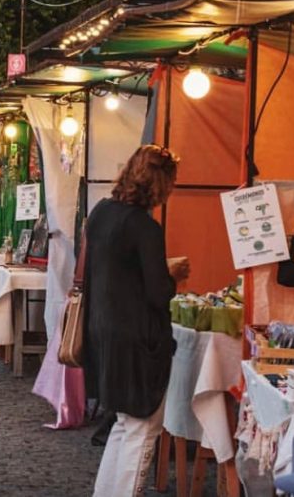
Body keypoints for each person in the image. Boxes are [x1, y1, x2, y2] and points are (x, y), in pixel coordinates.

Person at [83, 145, 191, 497]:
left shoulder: (101, 213)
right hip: (139, 338)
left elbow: (113, 270)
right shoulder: (145, 226)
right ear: (161, 185)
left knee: (123, 423)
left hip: (103, 331)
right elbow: (158, 293)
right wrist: (173, 274)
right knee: (142, 430)